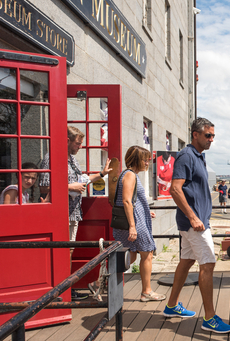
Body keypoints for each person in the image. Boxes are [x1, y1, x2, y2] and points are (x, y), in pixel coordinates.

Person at [164, 118, 230, 334]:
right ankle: (210, 318)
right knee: (208, 264)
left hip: (197, 222)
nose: (211, 139)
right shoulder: (186, 156)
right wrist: (193, 217)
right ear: (196, 134)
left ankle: (172, 305)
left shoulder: (198, 156)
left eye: (213, 135)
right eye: (208, 135)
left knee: (186, 261)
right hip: (195, 224)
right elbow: (175, 189)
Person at [39, 126, 111, 301]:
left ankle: (66, 288)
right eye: (78, 143)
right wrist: (70, 187)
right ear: (67, 141)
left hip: (73, 212)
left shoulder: (72, 160)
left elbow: (82, 180)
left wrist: (101, 174)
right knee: (61, 252)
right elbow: (43, 186)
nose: (80, 147)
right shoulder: (51, 158)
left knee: (68, 251)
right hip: (59, 213)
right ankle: (60, 290)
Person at [112, 146, 164, 302]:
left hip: (136, 219)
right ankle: (146, 291)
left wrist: (146, 211)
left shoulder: (130, 175)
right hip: (134, 223)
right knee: (147, 253)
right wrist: (133, 226)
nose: (148, 163)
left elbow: (133, 200)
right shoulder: (130, 175)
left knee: (131, 255)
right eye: (145, 160)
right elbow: (127, 201)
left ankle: (100, 282)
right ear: (137, 160)